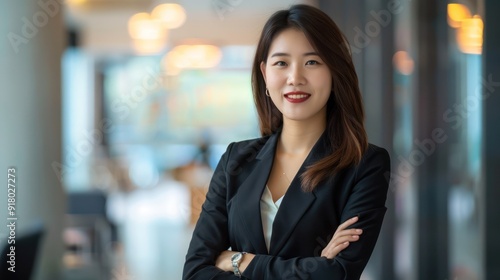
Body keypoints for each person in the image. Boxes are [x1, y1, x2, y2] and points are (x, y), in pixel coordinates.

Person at [183, 4, 390, 279]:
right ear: (265, 74)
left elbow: (337, 273)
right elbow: (195, 271)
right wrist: (311, 266)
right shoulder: (235, 159)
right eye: (281, 63)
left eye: (312, 62)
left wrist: (239, 261)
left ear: (334, 71)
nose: (295, 78)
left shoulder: (365, 165)